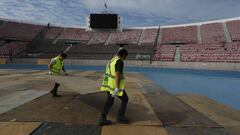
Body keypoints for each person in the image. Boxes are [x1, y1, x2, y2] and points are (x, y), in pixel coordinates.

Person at [98, 49, 130, 126]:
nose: (125, 58)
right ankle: (120, 117)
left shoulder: (112, 60)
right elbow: (117, 74)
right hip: (114, 86)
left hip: (108, 85)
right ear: (123, 55)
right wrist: (117, 87)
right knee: (125, 99)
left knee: (109, 101)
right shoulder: (119, 61)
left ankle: (103, 117)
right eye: (125, 56)